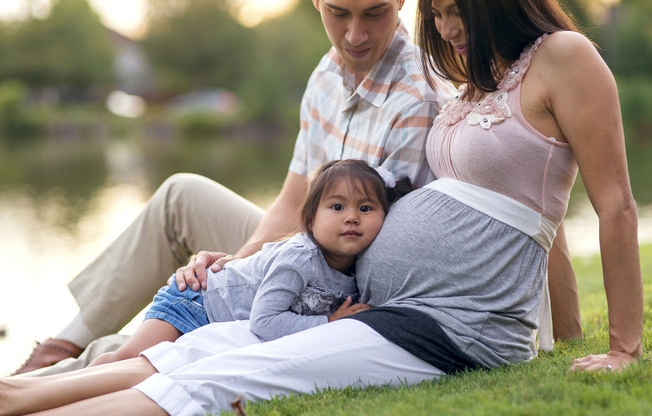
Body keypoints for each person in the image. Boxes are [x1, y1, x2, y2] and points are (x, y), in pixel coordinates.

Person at [0, 0, 642, 414]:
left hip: (435, 322)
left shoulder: (561, 58)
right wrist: (241, 262)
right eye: (439, 14)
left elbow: (604, 207)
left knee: (214, 375)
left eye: (456, 12)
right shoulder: (479, 82)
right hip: (374, 295)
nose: (447, 29)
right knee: (200, 346)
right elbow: (520, 212)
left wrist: (619, 347)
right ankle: (18, 391)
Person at [89, 159, 409, 366]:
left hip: (223, 320)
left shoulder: (358, 268)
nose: (352, 217)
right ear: (310, 219)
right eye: (337, 207)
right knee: (130, 360)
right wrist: (327, 324)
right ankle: (73, 384)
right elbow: (265, 322)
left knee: (156, 370)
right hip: (197, 300)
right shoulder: (299, 258)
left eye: (366, 209)